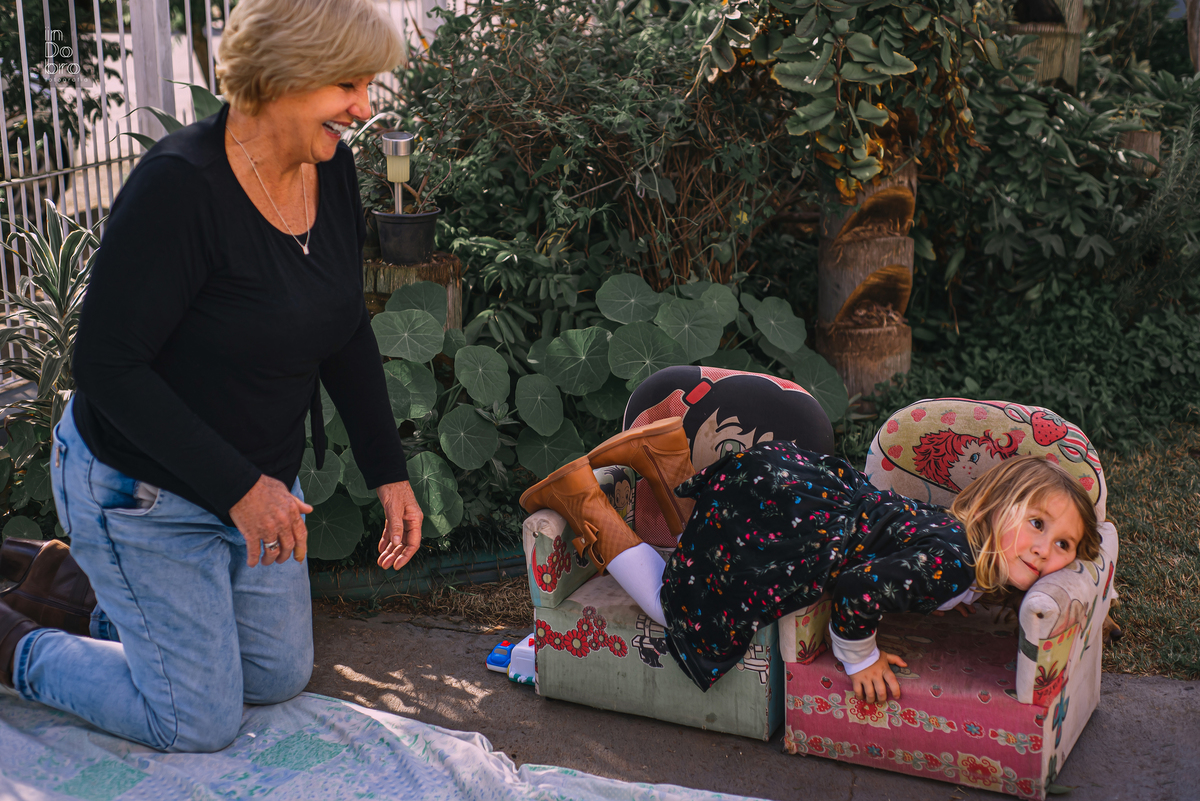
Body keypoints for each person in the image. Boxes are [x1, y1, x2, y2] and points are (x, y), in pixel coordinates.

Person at [0, 0, 423, 753]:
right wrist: (240, 488)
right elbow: (105, 366)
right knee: (197, 718)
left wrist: (388, 471)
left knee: (276, 676)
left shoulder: (331, 168)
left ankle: (76, 591)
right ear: (285, 75)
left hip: (257, 484)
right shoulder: (180, 187)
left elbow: (343, 325)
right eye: (348, 85)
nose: (364, 109)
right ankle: (14, 645)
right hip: (143, 489)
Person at [519, 418, 1099, 703]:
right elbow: (858, 590)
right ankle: (584, 499)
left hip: (792, 494)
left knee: (708, 546)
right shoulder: (952, 564)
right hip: (789, 526)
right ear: (997, 508)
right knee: (677, 606)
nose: (1045, 548)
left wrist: (958, 597)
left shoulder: (959, 541)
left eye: (1064, 545)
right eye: (1038, 524)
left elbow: (909, 563)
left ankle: (660, 452)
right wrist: (859, 657)